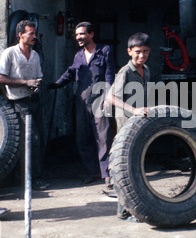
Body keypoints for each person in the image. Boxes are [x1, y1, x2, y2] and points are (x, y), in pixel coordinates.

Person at [49, 22, 115, 187]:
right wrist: (57, 84)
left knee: (103, 137)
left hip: (100, 100)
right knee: (83, 137)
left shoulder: (105, 51)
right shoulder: (78, 56)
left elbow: (109, 77)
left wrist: (108, 98)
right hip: (82, 102)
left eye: (82, 34)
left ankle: (106, 174)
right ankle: (92, 171)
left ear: (91, 34)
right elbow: (70, 72)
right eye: (77, 35)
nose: (78, 37)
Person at [105, 32, 151, 221]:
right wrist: (134, 110)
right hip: (125, 120)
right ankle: (123, 211)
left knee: (134, 164)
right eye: (138, 52)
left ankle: (128, 209)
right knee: (125, 165)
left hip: (137, 120)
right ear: (129, 51)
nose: (142, 56)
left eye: (146, 52)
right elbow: (110, 97)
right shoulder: (125, 72)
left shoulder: (146, 70)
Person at [0, 20, 48, 190]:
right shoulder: (9, 53)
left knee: (39, 138)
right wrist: (25, 82)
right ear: (20, 35)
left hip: (33, 100)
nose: (35, 36)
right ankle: (32, 180)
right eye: (31, 33)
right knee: (30, 140)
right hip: (18, 102)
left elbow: (38, 76)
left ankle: (31, 177)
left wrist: (36, 83)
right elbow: (1, 78)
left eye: (35, 33)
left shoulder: (34, 55)